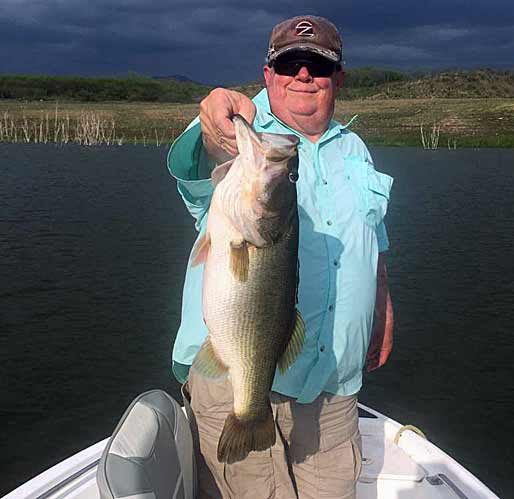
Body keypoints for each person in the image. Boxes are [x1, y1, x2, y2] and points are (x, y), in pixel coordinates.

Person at [167, 15, 394, 499]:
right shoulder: (243, 138)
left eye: (317, 65)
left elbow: (372, 236)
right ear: (268, 74)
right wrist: (215, 118)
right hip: (239, 380)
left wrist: (383, 307)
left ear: (338, 79)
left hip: (334, 386)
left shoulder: (355, 148)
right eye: (290, 63)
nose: (304, 75)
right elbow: (208, 148)